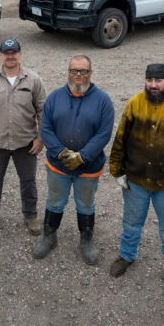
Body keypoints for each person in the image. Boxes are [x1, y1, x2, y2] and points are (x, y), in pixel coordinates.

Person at [108, 63, 164, 294]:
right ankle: (126, 256)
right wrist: (117, 170)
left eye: (158, 81)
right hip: (136, 180)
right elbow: (121, 138)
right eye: (149, 80)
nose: (153, 85)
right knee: (131, 222)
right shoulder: (134, 103)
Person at [33, 55, 114, 265]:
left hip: (89, 167)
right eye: (73, 71)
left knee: (85, 204)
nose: (78, 75)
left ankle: (86, 240)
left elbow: (104, 133)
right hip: (58, 165)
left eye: (83, 71)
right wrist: (61, 152)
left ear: (91, 73)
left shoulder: (103, 101)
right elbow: (46, 128)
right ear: (68, 72)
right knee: (54, 201)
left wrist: (83, 156)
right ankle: (49, 236)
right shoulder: (54, 97)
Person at [0, 38, 47, 236]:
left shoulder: (33, 80)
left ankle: (31, 215)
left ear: (20, 54)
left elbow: (43, 110)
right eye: (6, 53)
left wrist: (41, 138)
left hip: (25, 142)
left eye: (14, 52)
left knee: (28, 180)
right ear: (0, 55)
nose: (10, 56)